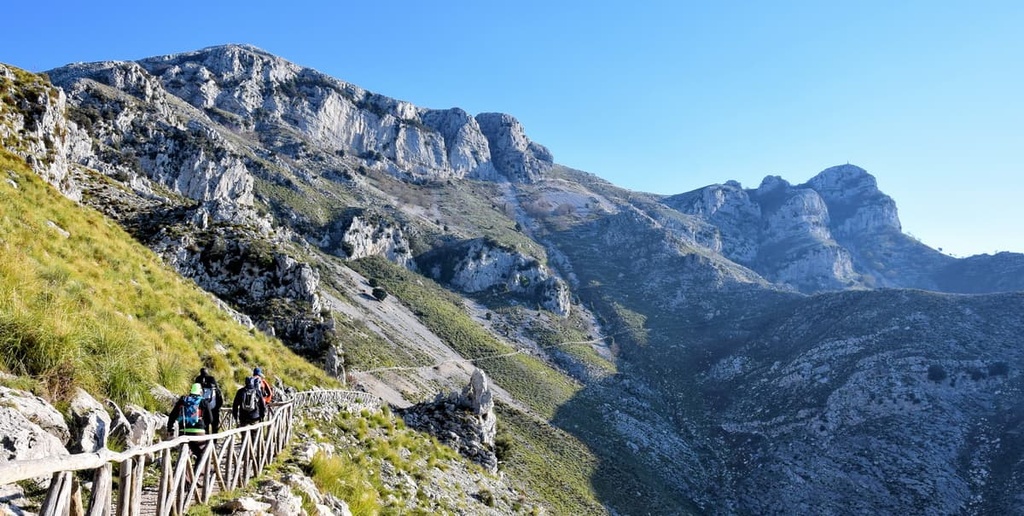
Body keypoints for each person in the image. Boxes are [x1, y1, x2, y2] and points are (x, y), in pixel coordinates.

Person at [167, 383, 213, 457]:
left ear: (191, 390)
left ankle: (183, 468)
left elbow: (172, 415)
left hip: (183, 431)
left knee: (183, 455)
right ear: (200, 392)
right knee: (202, 455)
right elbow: (210, 419)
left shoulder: (183, 400)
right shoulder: (204, 402)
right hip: (198, 432)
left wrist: (170, 429)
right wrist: (204, 426)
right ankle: (197, 468)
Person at [193, 368, 224, 433]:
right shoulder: (212, 379)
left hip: (203, 409)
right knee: (215, 426)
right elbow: (219, 397)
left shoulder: (198, 379)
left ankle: (206, 441)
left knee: (205, 426)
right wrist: (218, 407)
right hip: (214, 409)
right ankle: (214, 442)